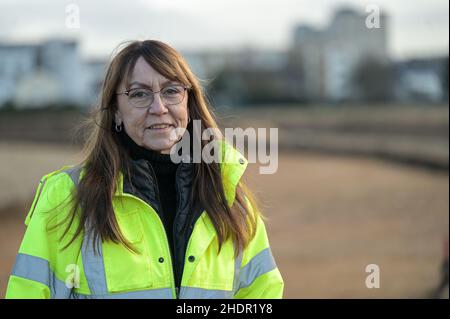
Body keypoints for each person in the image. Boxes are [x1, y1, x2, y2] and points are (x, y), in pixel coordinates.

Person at [5, 40, 284, 299]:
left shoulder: (230, 198)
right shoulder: (67, 197)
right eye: (139, 94)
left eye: (172, 91)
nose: (159, 107)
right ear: (115, 110)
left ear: (189, 101)